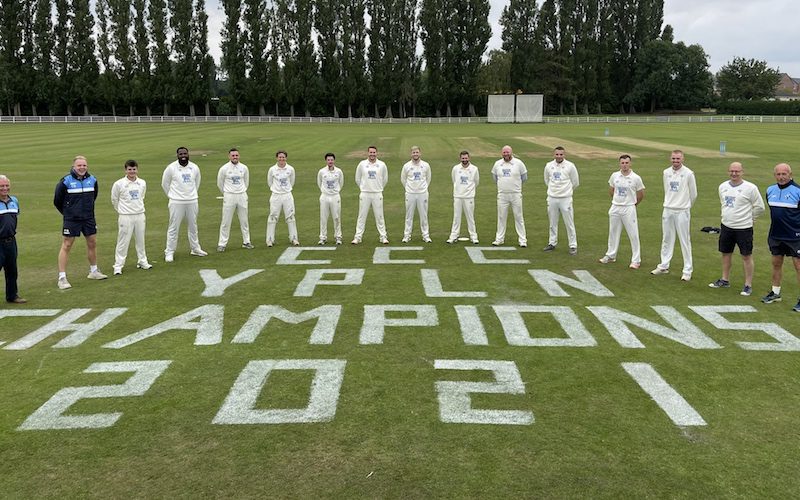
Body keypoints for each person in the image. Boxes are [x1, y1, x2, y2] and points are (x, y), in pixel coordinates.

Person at [708, 162, 765, 296]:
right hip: (726, 226)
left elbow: (760, 207)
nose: (734, 174)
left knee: (746, 256)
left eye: (737, 171)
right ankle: (725, 279)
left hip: (743, 228)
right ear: (728, 171)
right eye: (732, 171)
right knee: (726, 253)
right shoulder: (722, 186)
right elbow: (724, 204)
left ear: (742, 172)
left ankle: (748, 285)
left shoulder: (750, 188)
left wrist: (751, 218)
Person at [54, 155, 107, 289]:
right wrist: (68, 213)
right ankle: (62, 278)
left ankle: (94, 271)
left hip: (88, 218)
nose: (82, 168)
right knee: (66, 245)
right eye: (79, 165)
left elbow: (93, 197)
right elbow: (57, 201)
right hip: (72, 219)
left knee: (92, 242)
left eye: (84, 165)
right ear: (74, 167)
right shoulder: (65, 181)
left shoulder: (92, 179)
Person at [650, 150, 697, 281]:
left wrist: (685, 206)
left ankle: (687, 270)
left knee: (684, 240)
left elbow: (694, 194)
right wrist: (669, 203)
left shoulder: (688, 173)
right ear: (670, 159)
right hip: (668, 209)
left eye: (678, 159)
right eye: (673, 159)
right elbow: (667, 190)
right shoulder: (666, 172)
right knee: (666, 238)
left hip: (682, 210)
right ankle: (663, 265)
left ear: (683, 159)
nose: (675, 161)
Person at [760, 163, 800, 312]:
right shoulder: (770, 190)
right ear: (774, 175)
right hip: (776, 235)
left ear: (790, 174)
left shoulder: (798, 191)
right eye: (778, 174)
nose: (781, 177)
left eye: (784, 174)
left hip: (795, 236)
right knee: (776, 263)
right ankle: (775, 293)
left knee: (798, 266)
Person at [599, 154, 645, 268]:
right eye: (622, 163)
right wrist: (617, 201)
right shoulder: (615, 175)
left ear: (630, 163)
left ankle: (636, 260)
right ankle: (611, 255)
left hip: (629, 208)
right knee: (613, 232)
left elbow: (640, 195)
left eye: (627, 163)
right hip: (615, 207)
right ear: (620, 163)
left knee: (633, 234)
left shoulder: (636, 178)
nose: (624, 165)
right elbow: (611, 190)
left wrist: (633, 204)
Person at [162, 146, 206, 262]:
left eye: (184, 154)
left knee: (193, 226)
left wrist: (191, 195)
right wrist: (172, 196)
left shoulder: (194, 167)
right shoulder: (171, 168)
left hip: (192, 200)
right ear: (177, 155)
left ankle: (195, 248)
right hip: (176, 201)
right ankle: (169, 251)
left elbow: (197, 183)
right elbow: (165, 184)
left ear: (188, 154)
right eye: (180, 154)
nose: (183, 156)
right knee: (173, 227)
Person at [110, 160, 153, 275]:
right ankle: (118, 266)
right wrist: (121, 211)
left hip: (140, 214)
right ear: (125, 170)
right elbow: (114, 199)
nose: (132, 171)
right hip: (125, 216)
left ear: (137, 170)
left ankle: (142, 261)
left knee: (140, 240)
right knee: (123, 241)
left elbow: (142, 197)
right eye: (129, 169)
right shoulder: (119, 184)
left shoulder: (142, 183)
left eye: (134, 169)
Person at [543, 146, 580, 254]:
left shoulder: (570, 166)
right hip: (552, 198)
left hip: (565, 199)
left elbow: (575, 182)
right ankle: (552, 243)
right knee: (552, 222)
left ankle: (573, 245)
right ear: (554, 155)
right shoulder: (548, 166)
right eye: (557, 154)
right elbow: (547, 180)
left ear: (564, 155)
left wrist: (566, 191)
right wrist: (553, 191)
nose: (559, 156)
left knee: (569, 223)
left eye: (561, 154)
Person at [216, 148, 253, 252]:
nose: (235, 157)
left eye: (236, 155)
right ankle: (222, 244)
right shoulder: (224, 168)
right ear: (229, 156)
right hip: (229, 196)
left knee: (244, 220)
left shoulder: (244, 168)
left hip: (241, 195)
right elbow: (220, 183)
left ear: (239, 156)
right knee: (226, 221)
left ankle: (247, 242)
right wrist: (227, 193)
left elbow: (246, 181)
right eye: (233, 155)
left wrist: (241, 191)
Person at [491, 145, 527, 247]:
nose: (506, 154)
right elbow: (495, 177)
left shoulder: (519, 163)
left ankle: (522, 240)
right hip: (502, 195)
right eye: (504, 152)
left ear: (511, 152)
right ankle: (499, 239)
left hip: (515, 194)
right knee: (501, 217)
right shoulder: (498, 164)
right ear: (501, 153)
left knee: (518, 217)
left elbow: (524, 177)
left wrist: (514, 186)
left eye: (508, 152)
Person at [352, 146, 389, 245]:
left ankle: (383, 236)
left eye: (374, 152)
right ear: (367, 153)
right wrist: (363, 187)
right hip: (365, 193)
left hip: (377, 193)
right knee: (361, 216)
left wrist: (379, 187)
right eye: (370, 152)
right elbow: (357, 179)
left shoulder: (381, 165)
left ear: (377, 153)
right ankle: (358, 237)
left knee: (380, 216)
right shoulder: (362, 164)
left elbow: (385, 179)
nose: (372, 154)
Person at [0, 175, 25, 303]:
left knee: (12, 270)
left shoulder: (14, 200)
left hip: (11, 241)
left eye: (6, 185)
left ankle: (12, 295)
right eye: (2, 186)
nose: (5, 188)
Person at [266, 150, 299, 246]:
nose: (281, 159)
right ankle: (270, 239)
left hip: (287, 195)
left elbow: (292, 182)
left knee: (290, 216)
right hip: (276, 195)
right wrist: (276, 190)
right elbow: (270, 182)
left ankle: (293, 238)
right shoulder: (272, 169)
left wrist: (286, 190)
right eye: (280, 157)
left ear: (286, 158)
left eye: (283, 157)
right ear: (277, 158)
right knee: (273, 216)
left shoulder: (290, 169)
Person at [400, 146, 432, 243]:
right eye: (413, 152)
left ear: (420, 153)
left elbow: (428, 179)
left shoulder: (426, 165)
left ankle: (425, 235)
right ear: (411, 154)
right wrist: (409, 189)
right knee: (409, 215)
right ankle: (407, 235)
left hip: (422, 193)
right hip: (410, 194)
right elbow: (403, 179)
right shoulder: (406, 166)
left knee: (424, 215)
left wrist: (423, 188)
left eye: (417, 152)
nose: (415, 154)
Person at [447, 150, 480, 244]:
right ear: (460, 158)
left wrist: (469, 191)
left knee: (470, 217)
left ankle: (473, 236)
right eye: (463, 158)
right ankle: (453, 236)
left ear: (469, 158)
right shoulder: (456, 168)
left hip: (469, 197)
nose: (464, 160)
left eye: (466, 158)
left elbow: (476, 182)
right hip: (457, 196)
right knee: (456, 217)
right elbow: (454, 180)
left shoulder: (474, 169)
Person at [317, 152, 345, 245]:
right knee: (323, 218)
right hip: (324, 196)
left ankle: (338, 237)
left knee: (336, 217)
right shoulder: (321, 171)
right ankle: (323, 237)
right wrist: (326, 191)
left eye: (331, 160)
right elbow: (319, 183)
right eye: (328, 160)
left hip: (335, 196)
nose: (330, 161)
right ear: (326, 161)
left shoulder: (339, 171)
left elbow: (341, 183)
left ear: (334, 160)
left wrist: (335, 191)